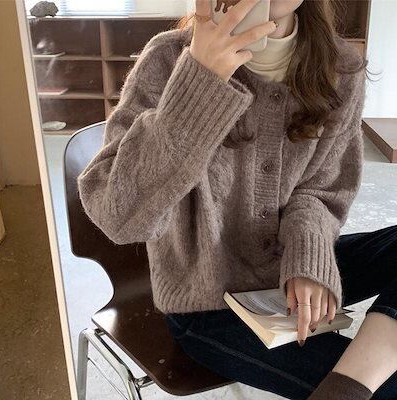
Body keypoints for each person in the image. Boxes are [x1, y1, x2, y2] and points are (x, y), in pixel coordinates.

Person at [76, 0, 397, 398]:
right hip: (205, 301)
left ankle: (350, 384)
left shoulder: (340, 68)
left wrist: (308, 258)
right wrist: (199, 81)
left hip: (286, 270)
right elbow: (119, 215)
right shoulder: (168, 58)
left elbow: (320, 187)